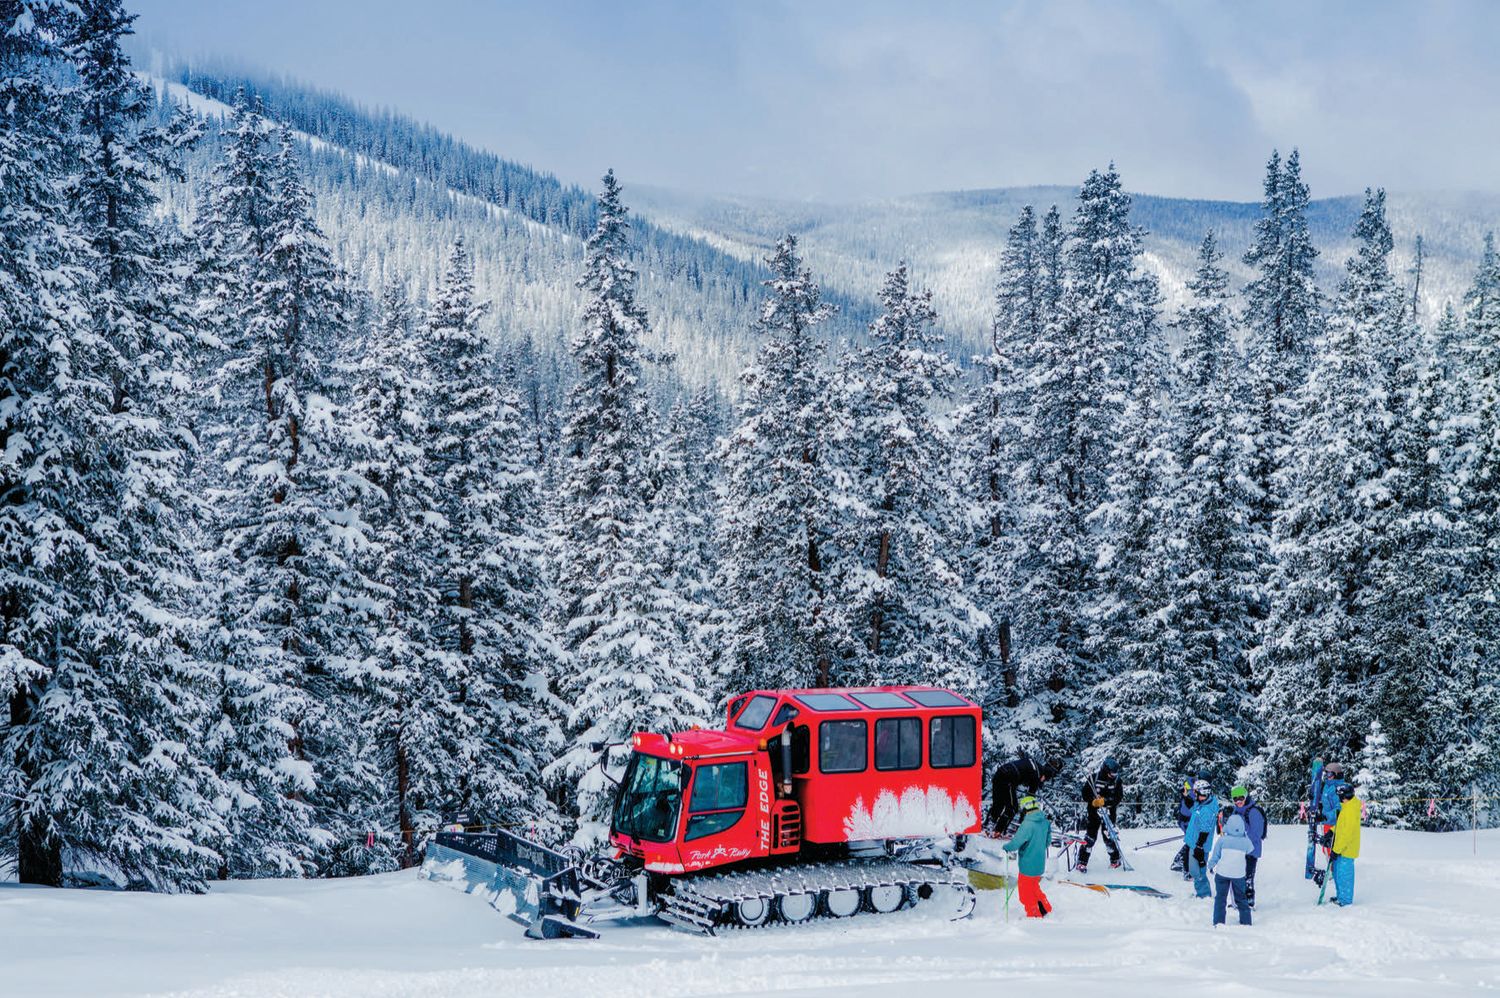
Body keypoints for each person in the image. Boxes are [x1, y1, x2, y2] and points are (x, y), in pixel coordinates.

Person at [986, 753, 1062, 837]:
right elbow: (1029, 801)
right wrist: (1022, 820)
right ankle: (998, 831)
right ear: (1044, 776)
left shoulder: (1034, 764)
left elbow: (1025, 772)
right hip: (1008, 779)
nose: (1044, 781)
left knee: (999, 803)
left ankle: (988, 825)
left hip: (1000, 773)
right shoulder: (1037, 776)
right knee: (1012, 808)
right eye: (1045, 779)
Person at [1002, 795, 1053, 918]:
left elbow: (1016, 842)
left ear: (1025, 808)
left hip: (1027, 865)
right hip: (1039, 864)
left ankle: (1034, 915)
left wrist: (1006, 847)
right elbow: (1047, 842)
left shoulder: (1027, 824)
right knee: (1034, 887)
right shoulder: (1045, 822)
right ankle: (1045, 908)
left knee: (1025, 893)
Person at [1074, 757, 1124, 872]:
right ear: (1105, 771)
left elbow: (1118, 797)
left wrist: (1106, 801)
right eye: (1111, 774)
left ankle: (1115, 860)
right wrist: (1093, 800)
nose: (1114, 776)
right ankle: (1082, 862)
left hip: (1109, 813)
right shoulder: (1093, 778)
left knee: (1109, 837)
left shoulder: (1117, 781)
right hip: (1094, 813)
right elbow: (1084, 794)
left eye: (1115, 774)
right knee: (1090, 837)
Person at [1207, 812, 1253, 926]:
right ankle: (1246, 922)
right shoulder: (1246, 841)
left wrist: (1210, 865)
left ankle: (1218, 922)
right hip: (1239, 875)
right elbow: (1250, 850)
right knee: (1241, 898)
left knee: (1220, 899)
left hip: (1222, 873)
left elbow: (1216, 856)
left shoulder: (1222, 840)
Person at [1230, 785, 1267, 909]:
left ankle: (1249, 902)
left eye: (1241, 798)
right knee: (1237, 876)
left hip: (1251, 850)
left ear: (1246, 797)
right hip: (1238, 849)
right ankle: (1239, 901)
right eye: (1235, 799)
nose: (1238, 801)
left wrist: (1240, 822)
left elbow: (1256, 835)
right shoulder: (1236, 811)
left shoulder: (1253, 812)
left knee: (1247, 877)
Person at [1313, 762, 1348, 887]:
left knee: (1332, 847)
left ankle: (1335, 870)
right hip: (1326, 822)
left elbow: (1340, 809)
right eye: (1326, 773)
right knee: (1325, 848)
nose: (1327, 776)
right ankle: (1333, 868)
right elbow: (1325, 801)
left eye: (1329, 774)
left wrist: (1325, 816)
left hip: (1335, 824)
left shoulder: (1339, 788)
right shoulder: (1328, 785)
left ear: (1336, 775)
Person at [1184, 779, 1218, 899]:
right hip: (1195, 843)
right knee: (1198, 870)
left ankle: (1203, 895)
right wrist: (1186, 797)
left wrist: (1199, 846)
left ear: (1202, 793)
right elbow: (1194, 808)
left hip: (1199, 845)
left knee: (1196, 872)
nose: (1195, 795)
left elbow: (1205, 830)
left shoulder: (1206, 810)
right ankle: (1203, 893)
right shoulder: (1204, 803)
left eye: (1196, 793)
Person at [1330, 782, 1362, 906]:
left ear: (1345, 796)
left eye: (1340, 796)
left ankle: (1346, 900)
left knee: (1344, 876)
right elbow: (1341, 826)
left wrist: (1336, 850)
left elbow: (1346, 834)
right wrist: (1332, 831)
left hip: (1347, 850)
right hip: (1341, 848)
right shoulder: (1347, 807)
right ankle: (1340, 896)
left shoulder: (1350, 810)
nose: (1339, 798)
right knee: (1338, 873)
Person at [1172, 778, 1196, 878]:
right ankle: (1186, 869)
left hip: (1187, 821)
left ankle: (1178, 861)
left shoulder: (1192, 784)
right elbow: (1189, 808)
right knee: (1191, 843)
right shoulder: (1191, 788)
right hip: (1186, 821)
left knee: (1191, 842)